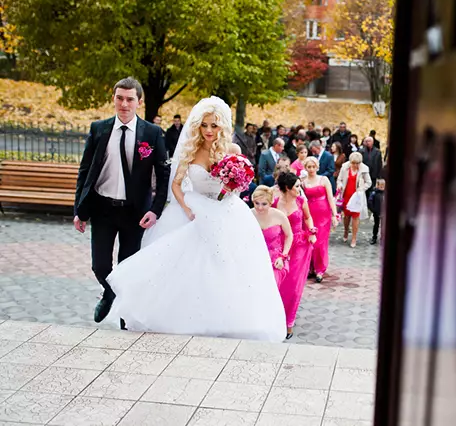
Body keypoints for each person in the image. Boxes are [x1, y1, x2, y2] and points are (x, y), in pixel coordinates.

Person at [105, 96, 286, 341]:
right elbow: (177, 186)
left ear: (221, 126)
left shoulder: (230, 151)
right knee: (190, 262)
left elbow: (238, 184)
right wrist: (187, 208)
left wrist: (233, 186)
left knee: (229, 264)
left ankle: (230, 317)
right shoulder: (191, 149)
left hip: (227, 210)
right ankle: (186, 315)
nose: (209, 130)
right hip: (197, 207)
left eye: (214, 125)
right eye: (205, 125)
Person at [73, 77, 170, 329]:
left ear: (139, 101)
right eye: (119, 98)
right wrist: (79, 210)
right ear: (114, 99)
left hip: (135, 212)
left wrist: (155, 210)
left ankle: (127, 317)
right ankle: (110, 292)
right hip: (103, 208)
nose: (124, 104)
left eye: (129, 99)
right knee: (100, 265)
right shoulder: (99, 129)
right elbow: (85, 171)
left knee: (129, 267)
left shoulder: (152, 132)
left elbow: (163, 174)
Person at [273, 172, 316, 339]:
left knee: (294, 286)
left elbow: (308, 218)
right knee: (280, 282)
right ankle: (277, 315)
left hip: (299, 247)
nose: (300, 189)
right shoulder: (275, 203)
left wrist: (311, 232)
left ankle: (289, 322)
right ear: (287, 188)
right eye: (297, 186)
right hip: (281, 246)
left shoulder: (301, 201)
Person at [302, 157, 339, 283]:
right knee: (310, 240)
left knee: (320, 242)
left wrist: (334, 214)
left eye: (313, 167)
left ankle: (320, 269)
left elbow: (330, 197)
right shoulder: (303, 182)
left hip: (323, 214)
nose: (311, 169)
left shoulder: (324, 179)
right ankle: (310, 268)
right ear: (305, 168)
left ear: (317, 167)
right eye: (309, 167)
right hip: (309, 214)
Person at [252, 186, 293, 287]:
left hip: (275, 260)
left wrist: (283, 256)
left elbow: (289, 235)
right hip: (255, 259)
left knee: (272, 287)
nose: (259, 207)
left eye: (264, 204)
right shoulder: (249, 214)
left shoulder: (279, 216)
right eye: (256, 203)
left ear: (271, 203)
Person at [337, 152, 371, 248]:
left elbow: (369, 182)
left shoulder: (364, 169)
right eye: (353, 163)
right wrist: (339, 185)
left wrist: (361, 189)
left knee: (355, 217)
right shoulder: (344, 167)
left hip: (357, 197)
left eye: (357, 163)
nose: (355, 165)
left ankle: (354, 238)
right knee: (346, 216)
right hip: (346, 195)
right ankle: (346, 231)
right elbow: (339, 180)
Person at [368, 178, 385, 245]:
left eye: (383, 186)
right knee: (376, 225)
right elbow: (370, 202)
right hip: (376, 212)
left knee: (383, 226)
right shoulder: (374, 193)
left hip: (384, 213)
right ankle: (374, 237)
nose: (382, 187)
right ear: (377, 185)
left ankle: (383, 238)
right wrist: (373, 210)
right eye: (381, 186)